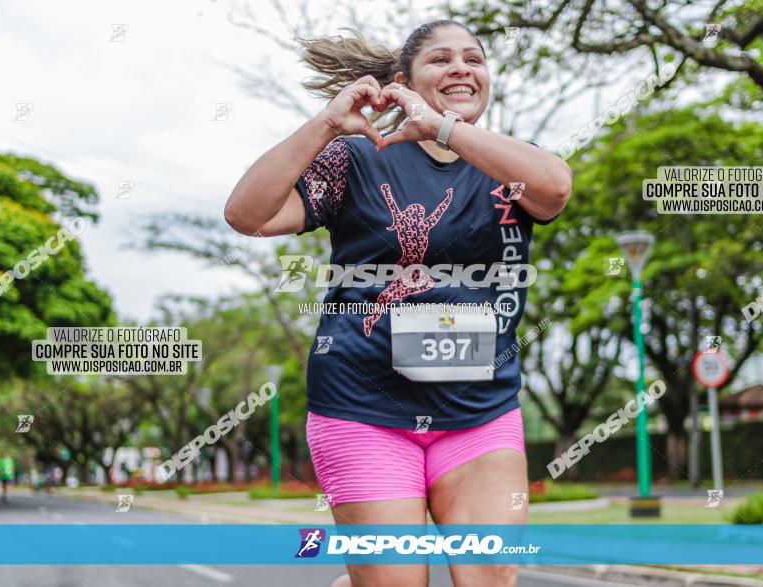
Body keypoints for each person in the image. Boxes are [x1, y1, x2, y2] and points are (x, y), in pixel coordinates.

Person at [225, 19, 572, 587]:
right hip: (364, 410)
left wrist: (443, 128)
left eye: (474, 58)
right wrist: (327, 126)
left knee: (491, 576)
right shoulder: (358, 160)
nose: (462, 67)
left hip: (479, 410)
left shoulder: (510, 164)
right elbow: (248, 215)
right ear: (403, 81)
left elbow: (555, 188)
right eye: (440, 59)